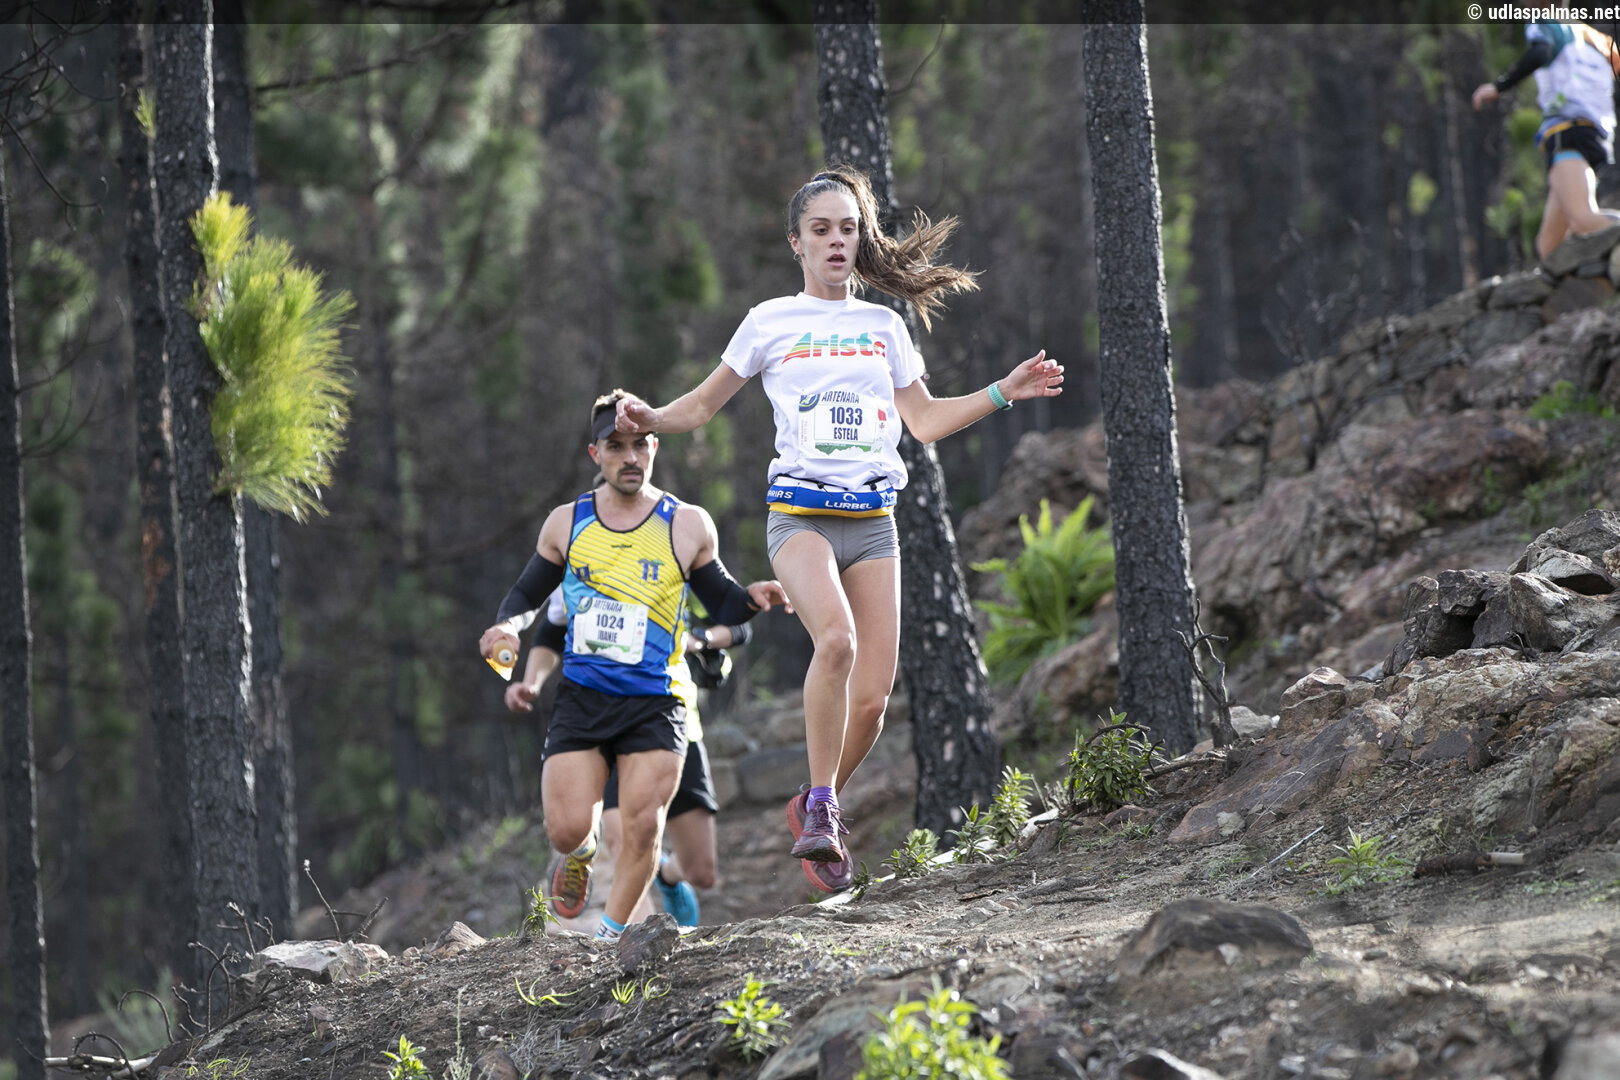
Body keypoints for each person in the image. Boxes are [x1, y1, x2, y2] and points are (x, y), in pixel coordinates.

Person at [614, 164, 1063, 894]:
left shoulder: (884, 327)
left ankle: (815, 799)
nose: (835, 242)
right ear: (796, 242)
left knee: (874, 700)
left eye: (847, 230)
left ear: (860, 240)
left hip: (873, 523)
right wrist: (652, 417)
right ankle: (824, 809)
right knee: (838, 642)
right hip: (800, 517)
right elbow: (699, 407)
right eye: (820, 230)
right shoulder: (769, 321)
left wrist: (1001, 392)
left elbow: (924, 422)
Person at [480, 390, 787, 942]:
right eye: (616, 446)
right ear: (594, 453)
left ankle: (610, 941)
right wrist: (508, 625)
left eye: (641, 444)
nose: (630, 457)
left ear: (655, 448)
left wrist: (752, 598)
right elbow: (528, 594)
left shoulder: (686, 524)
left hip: (657, 700)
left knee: (644, 829)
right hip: (584, 696)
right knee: (565, 828)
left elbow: (723, 601)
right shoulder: (567, 523)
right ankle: (580, 851)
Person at [505, 588, 750, 926]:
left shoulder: (680, 559)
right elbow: (551, 628)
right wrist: (531, 682)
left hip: (675, 724)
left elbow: (739, 626)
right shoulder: (582, 565)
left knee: (701, 871)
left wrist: (699, 639)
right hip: (607, 726)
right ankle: (639, 941)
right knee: (624, 841)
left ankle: (665, 874)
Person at [1472, 21, 1620, 261]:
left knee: (1583, 220)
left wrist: (1499, 86)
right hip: (1594, 135)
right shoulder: (1591, 35)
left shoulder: (1546, 24)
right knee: (1549, 246)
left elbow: (1540, 52)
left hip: (1567, 132)